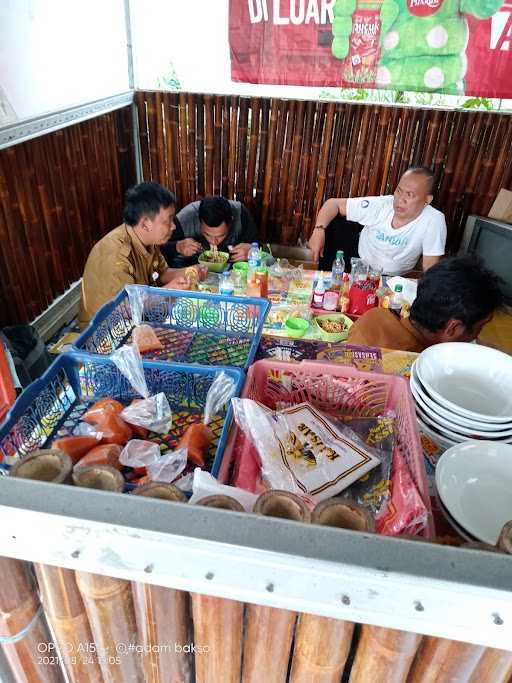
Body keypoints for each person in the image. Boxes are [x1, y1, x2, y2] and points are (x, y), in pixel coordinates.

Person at [79, 182, 193, 328]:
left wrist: (192, 271)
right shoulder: (115, 255)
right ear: (145, 224)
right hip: (104, 332)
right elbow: (125, 309)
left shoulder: (148, 239)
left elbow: (162, 273)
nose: (174, 226)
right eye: (168, 220)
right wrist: (169, 291)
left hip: (137, 317)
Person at [347, 256, 504, 352]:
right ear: (453, 328)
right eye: (480, 327)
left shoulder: (374, 316)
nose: (476, 336)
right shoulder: (424, 366)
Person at [308, 167, 447, 276]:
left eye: (409, 195)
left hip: (392, 277)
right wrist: (318, 230)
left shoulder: (434, 221)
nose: (400, 199)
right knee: (334, 224)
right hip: (358, 259)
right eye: (399, 191)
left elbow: (430, 267)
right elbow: (333, 204)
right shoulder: (382, 205)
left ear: (427, 200)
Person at [161, 195, 259, 267]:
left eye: (221, 235)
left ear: (231, 222)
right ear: (199, 221)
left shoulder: (241, 214)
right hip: (190, 269)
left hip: (231, 271)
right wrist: (177, 246)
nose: (213, 241)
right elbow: (158, 250)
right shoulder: (185, 218)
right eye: (207, 234)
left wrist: (251, 250)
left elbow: (258, 246)